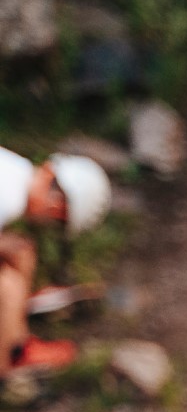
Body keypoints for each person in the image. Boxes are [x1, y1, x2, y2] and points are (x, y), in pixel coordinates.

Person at [0, 148, 111, 374]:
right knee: (7, 287)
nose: (52, 212)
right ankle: (3, 367)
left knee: (21, 252)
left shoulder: (15, 171)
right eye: (59, 213)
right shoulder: (9, 197)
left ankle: (17, 346)